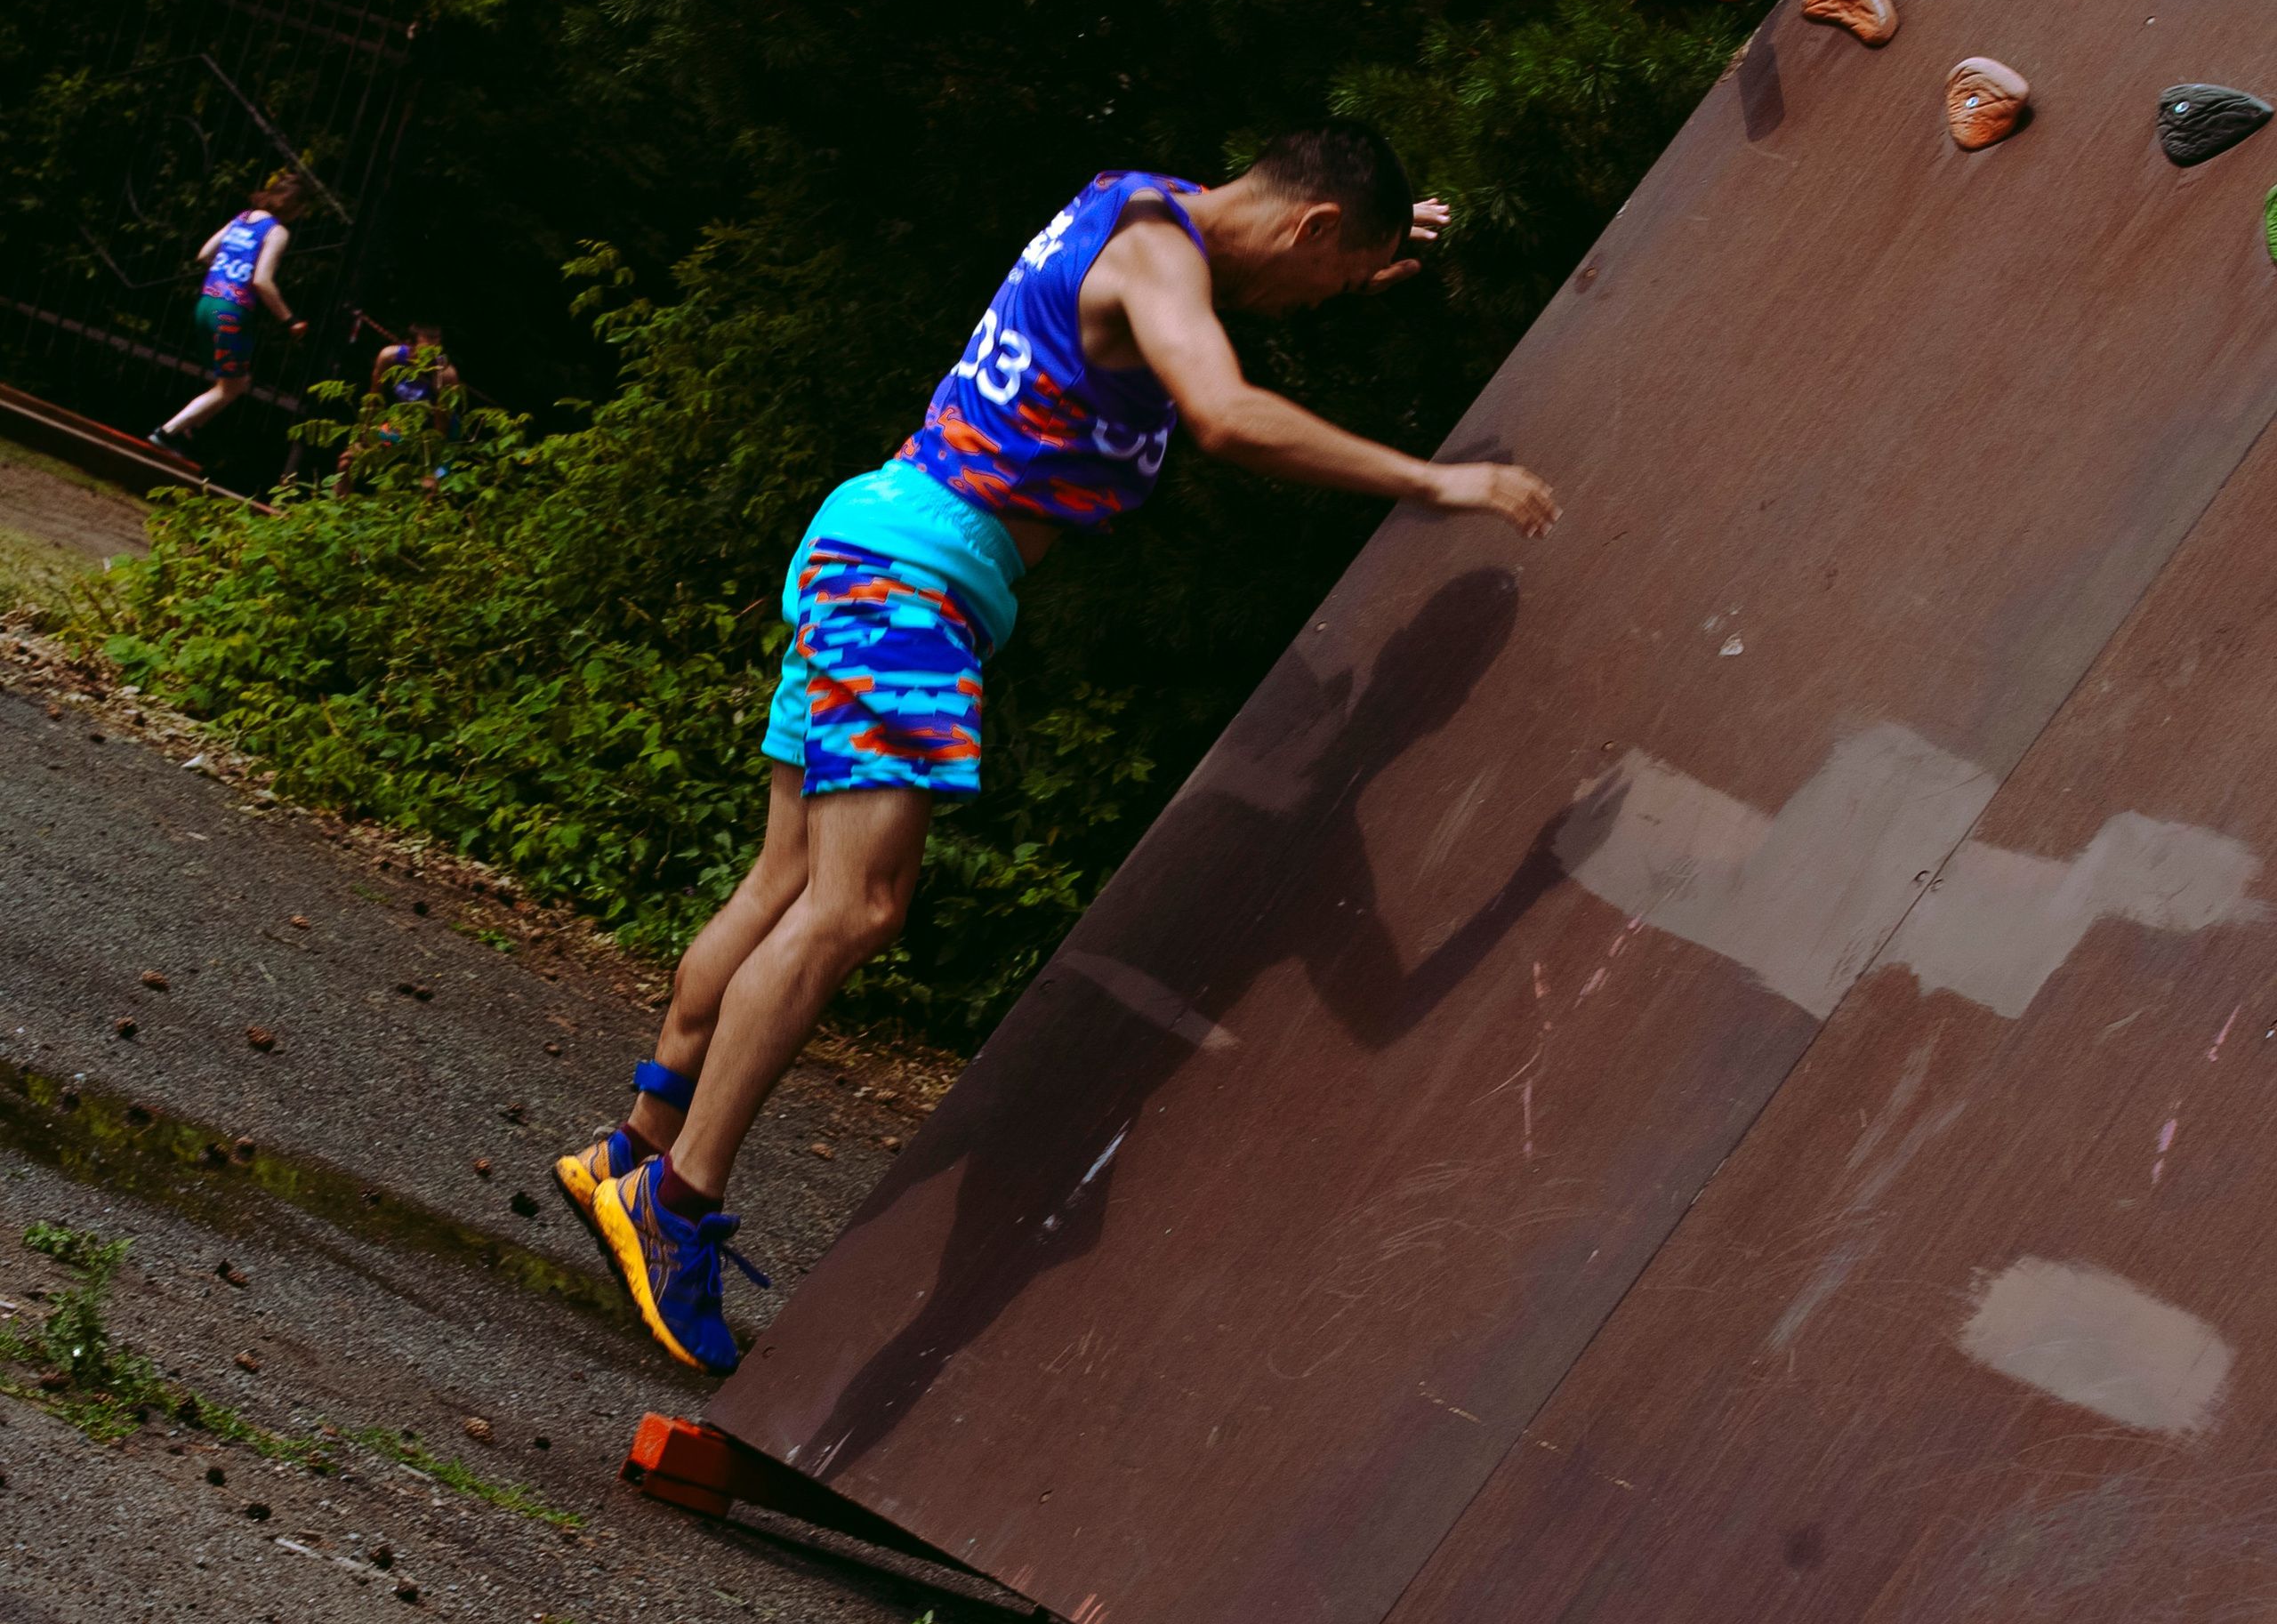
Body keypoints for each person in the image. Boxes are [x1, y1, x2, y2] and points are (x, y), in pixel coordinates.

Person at [554, 125, 1560, 1371]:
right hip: (914, 583)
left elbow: (1237, 259)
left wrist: (1374, 238)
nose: (1327, 300)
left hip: (872, 535)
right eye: (1335, 277)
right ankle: (678, 1203)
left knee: (781, 886)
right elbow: (1231, 415)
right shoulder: (1155, 254)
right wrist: (1432, 481)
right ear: (1311, 230)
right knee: (855, 909)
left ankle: (634, 1148)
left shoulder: (1136, 200)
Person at [150, 173, 313, 453]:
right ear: (294, 206)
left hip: (206, 305)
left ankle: (188, 431)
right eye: (302, 209)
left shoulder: (241, 218)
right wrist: (290, 319)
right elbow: (262, 281)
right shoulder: (277, 232)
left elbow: (204, 255)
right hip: (231, 313)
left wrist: (225, 275)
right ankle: (168, 432)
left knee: (234, 382)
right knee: (232, 386)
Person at [338, 320, 463, 491]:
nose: (432, 354)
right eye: (427, 348)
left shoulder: (445, 375)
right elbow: (374, 402)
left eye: (437, 347)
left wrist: (431, 472)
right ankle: (337, 504)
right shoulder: (390, 358)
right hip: (404, 424)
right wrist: (366, 439)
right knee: (348, 461)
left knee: (431, 487)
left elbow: (440, 429)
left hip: (440, 434)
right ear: (410, 345)